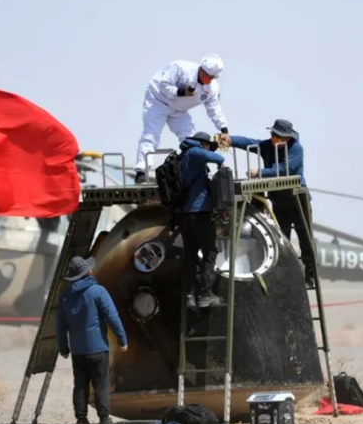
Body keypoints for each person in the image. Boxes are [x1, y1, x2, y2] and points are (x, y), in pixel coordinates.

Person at [228, 119, 317, 288]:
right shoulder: (268, 146)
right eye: (274, 136)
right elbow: (248, 142)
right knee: (281, 240)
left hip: (298, 200)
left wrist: (260, 172)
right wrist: (229, 139)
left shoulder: (296, 149)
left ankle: (311, 276)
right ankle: (287, 277)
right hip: (280, 201)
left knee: (306, 239)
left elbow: (285, 170)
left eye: (280, 137)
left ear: (288, 138)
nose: (276, 139)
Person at [56, 255, 128, 424]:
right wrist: (122, 339)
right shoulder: (98, 291)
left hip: (78, 351)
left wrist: (64, 348)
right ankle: (105, 423)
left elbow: (61, 326)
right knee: (100, 385)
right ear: (88, 272)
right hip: (98, 348)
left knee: (80, 386)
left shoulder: (65, 296)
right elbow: (112, 316)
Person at [134, 55, 230, 184]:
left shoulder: (212, 89)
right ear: (201, 69)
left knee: (191, 139)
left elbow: (215, 109)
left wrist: (224, 130)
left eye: (210, 77)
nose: (206, 79)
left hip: (179, 110)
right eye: (205, 74)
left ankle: (199, 168)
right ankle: (141, 172)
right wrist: (181, 91)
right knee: (151, 134)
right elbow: (163, 85)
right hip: (158, 101)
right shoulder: (181, 68)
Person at [176, 131, 226, 308]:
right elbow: (216, 157)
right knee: (210, 251)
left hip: (184, 214)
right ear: (203, 143)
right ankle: (205, 294)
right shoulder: (195, 152)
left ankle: (189, 296)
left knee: (190, 254)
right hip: (199, 213)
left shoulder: (183, 156)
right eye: (208, 146)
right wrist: (221, 163)